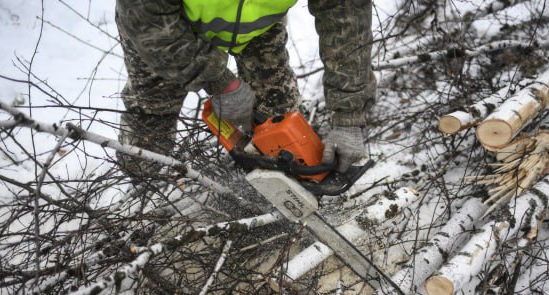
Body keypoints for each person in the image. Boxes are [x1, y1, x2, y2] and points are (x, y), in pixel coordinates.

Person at [115, 0, 377, 179]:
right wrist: (219, 81)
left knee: (278, 116)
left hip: (257, 25)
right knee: (152, 112)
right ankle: (145, 192)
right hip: (167, 27)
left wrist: (348, 117)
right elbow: (147, 19)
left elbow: (346, 20)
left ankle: (279, 193)